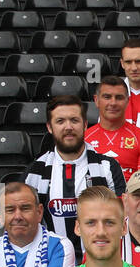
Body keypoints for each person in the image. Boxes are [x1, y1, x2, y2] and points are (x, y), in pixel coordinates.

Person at [24, 95, 126, 244]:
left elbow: (121, 218)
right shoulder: (35, 172)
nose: (68, 127)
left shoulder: (108, 167)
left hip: (98, 254)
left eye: (74, 120)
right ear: (50, 127)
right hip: (52, 255)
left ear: (85, 125)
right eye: (60, 121)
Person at [84, 76, 140, 181]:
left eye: (119, 98)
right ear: (96, 100)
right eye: (107, 97)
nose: (113, 103)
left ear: (127, 101)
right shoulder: (83, 140)